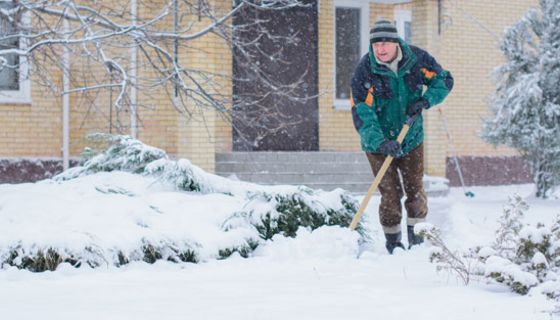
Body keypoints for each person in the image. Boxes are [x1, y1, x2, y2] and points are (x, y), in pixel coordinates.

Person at [350, 20, 453, 254]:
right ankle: (393, 244)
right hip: (378, 144)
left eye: (385, 43)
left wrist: (425, 100)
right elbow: (362, 114)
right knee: (390, 193)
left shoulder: (416, 60)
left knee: (415, 190)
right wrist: (381, 142)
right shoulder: (364, 71)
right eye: (376, 44)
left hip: (411, 138)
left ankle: (417, 242)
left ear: (396, 42)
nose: (380, 49)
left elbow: (444, 80)